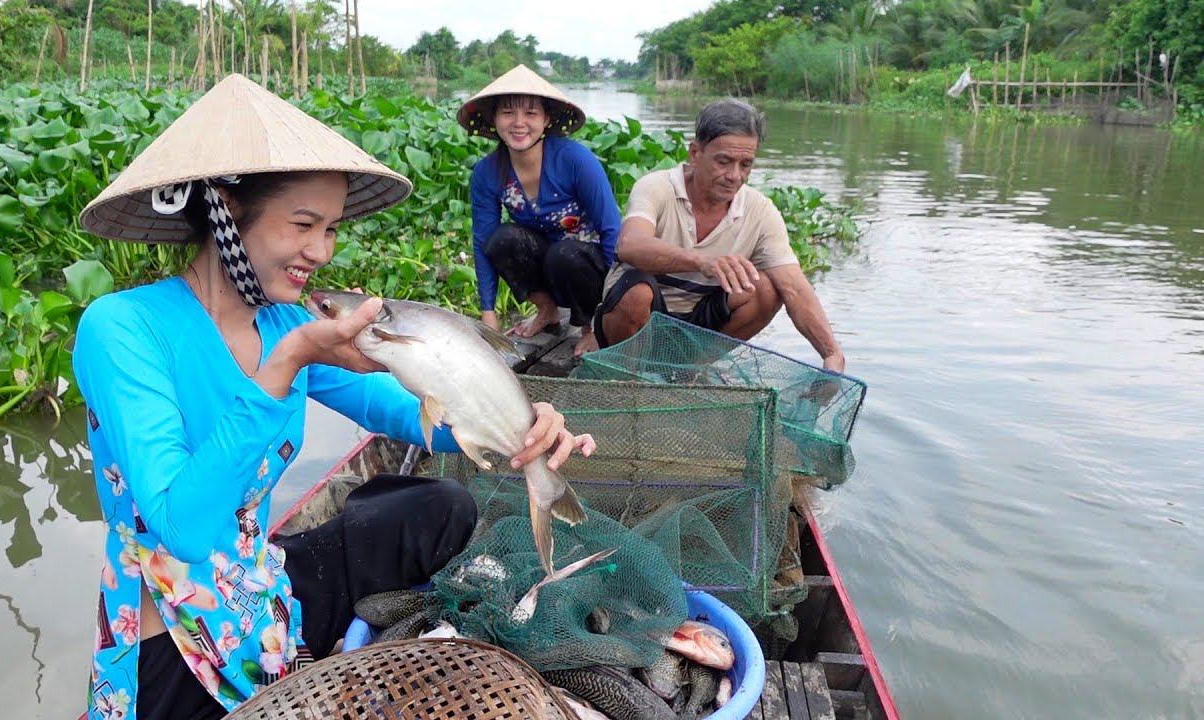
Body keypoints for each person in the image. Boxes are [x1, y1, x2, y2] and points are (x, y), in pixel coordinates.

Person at [73, 74, 595, 720]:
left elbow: (407, 413)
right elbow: (183, 527)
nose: (321, 252)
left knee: (439, 506)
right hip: (173, 648)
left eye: (332, 228)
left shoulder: (286, 323)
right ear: (227, 208)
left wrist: (523, 431)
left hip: (262, 594)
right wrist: (289, 363)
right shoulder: (122, 328)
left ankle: (305, 648)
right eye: (303, 225)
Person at [593, 99, 847, 373]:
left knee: (767, 290)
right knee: (636, 292)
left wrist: (831, 353)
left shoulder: (759, 210)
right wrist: (702, 261)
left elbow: (794, 287)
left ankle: (689, 369)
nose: (734, 176)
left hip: (697, 325)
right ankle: (626, 376)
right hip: (637, 317)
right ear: (695, 153)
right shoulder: (656, 187)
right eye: (724, 161)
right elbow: (631, 245)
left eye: (745, 164)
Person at [460, 64, 622, 357]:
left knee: (566, 253)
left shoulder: (574, 159)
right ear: (494, 119)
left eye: (530, 113)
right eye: (508, 113)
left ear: (546, 119)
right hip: (550, 266)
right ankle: (546, 309)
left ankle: (589, 328)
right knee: (501, 239)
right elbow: (483, 242)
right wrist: (488, 312)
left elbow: (612, 230)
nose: (519, 123)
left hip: (590, 269)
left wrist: (608, 312)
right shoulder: (487, 173)